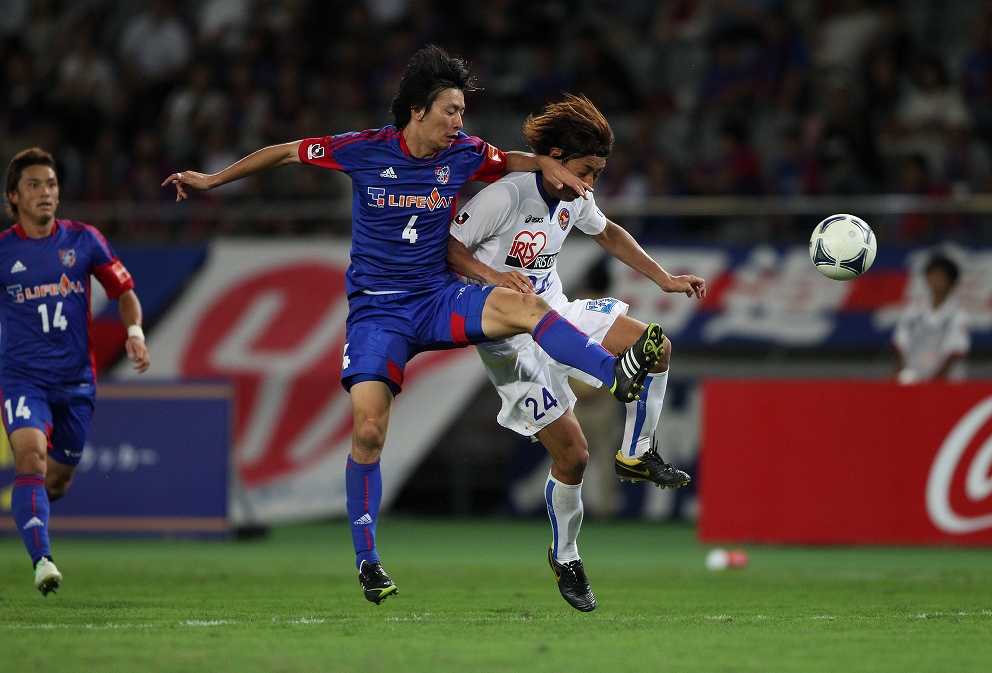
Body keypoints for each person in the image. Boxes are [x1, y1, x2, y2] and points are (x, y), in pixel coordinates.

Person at [163, 45, 665, 605]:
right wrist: (213, 180)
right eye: (451, 110)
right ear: (418, 111)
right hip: (379, 312)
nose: (459, 122)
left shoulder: (466, 153)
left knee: (525, 306)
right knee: (368, 431)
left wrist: (546, 164)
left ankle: (616, 376)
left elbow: (510, 159)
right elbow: (284, 153)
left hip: (437, 297)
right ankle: (368, 561)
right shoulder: (361, 148)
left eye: (462, 112)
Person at [446, 94, 706, 611]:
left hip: (556, 312)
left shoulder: (575, 197)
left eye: (597, 174)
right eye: (585, 171)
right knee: (574, 456)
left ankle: (637, 452)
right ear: (555, 158)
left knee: (656, 348)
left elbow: (607, 231)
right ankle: (565, 555)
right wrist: (495, 276)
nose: (590, 183)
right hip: (509, 340)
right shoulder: (506, 196)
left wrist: (663, 278)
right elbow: (449, 248)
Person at [1, 147, 151, 596]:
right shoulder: (4, 250)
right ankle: (42, 560)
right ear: (14, 197)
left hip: (76, 383)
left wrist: (135, 333)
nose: (45, 192)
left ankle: (30, 513)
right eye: (33, 185)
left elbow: (124, 291)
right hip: (22, 379)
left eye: (50, 184)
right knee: (30, 458)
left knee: (57, 481)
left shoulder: (84, 240)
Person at [892, 253, 970, 384]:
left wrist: (933, 384)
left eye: (941, 277)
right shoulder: (914, 310)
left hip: (947, 383)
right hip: (913, 378)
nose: (936, 281)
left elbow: (954, 352)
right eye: (933, 276)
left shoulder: (958, 315)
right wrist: (897, 377)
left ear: (951, 281)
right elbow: (901, 344)